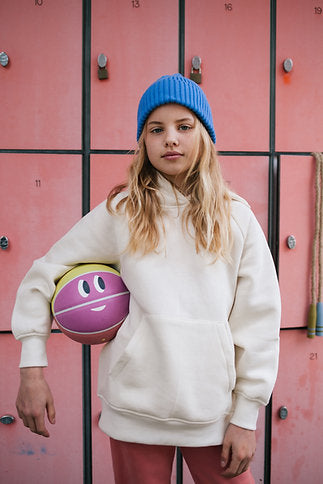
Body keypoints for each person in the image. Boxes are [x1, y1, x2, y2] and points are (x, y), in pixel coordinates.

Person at [12, 74, 281, 483]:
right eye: (157, 129)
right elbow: (42, 275)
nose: (170, 139)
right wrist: (32, 369)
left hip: (214, 413)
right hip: (135, 410)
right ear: (144, 142)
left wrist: (246, 416)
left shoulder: (236, 217)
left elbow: (259, 322)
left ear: (205, 136)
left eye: (184, 127)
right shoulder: (123, 211)